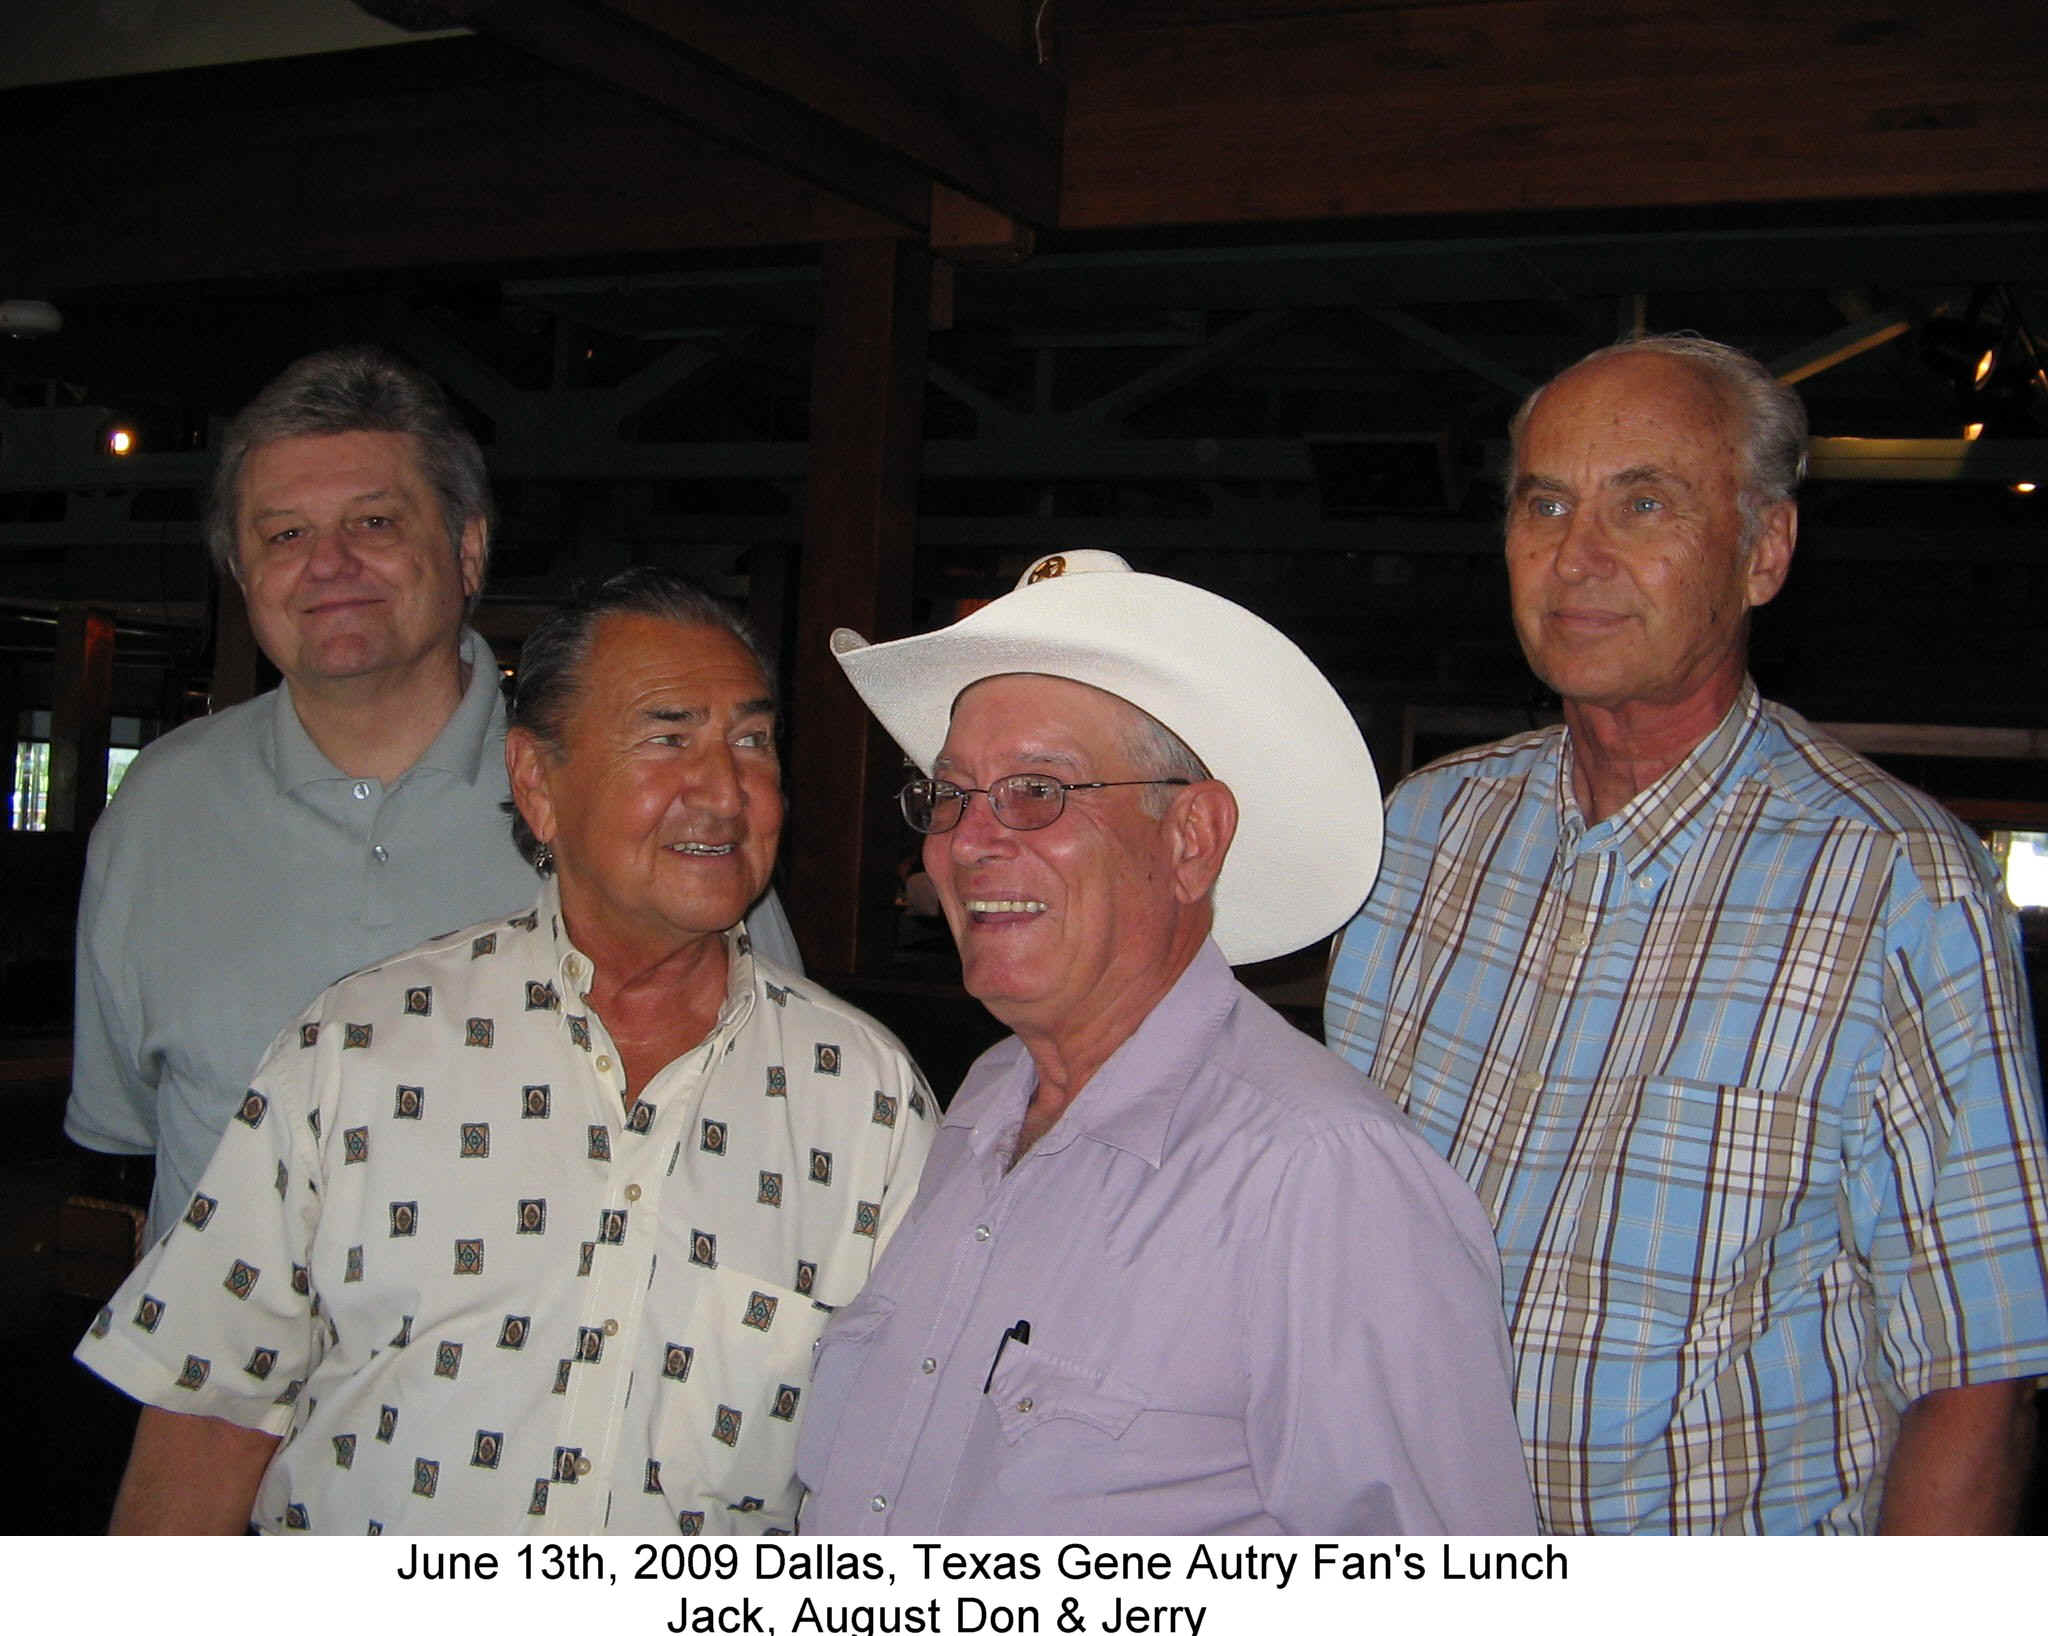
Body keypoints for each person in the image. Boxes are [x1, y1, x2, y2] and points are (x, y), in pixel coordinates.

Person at [1324, 335, 2048, 1533]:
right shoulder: (1421, 835)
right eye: (1542, 504)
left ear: (1762, 552)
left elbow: (1973, 1371)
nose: (1575, 556)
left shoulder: (1891, 885)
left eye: (1642, 503)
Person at [75, 568, 934, 1534]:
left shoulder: (862, 1096)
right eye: (668, 736)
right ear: (538, 785)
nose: (726, 789)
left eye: (752, 739)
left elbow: (906, 1462)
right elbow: (207, 1413)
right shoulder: (360, 1048)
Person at [798, 549, 1534, 1534]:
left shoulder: (1320, 1176)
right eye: (951, 793)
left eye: (1035, 792)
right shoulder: (987, 1095)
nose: (965, 841)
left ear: (1189, 837)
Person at [66, 345, 801, 1249]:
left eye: (374, 522)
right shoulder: (157, 812)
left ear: (468, 548)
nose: (329, 563)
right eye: (284, 534)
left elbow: (788, 1112)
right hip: (238, 1387)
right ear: (242, 573)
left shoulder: (645, 805)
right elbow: (132, 1127)